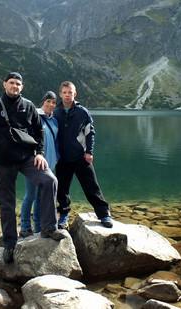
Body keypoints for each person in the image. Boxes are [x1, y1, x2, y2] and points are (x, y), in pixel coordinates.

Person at [0, 72, 65, 264]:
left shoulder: (28, 106)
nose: (15, 86)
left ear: (22, 87)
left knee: (49, 180)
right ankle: (10, 242)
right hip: (3, 161)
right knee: (7, 202)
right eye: (11, 83)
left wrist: (39, 154)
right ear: (4, 84)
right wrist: (2, 146)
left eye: (18, 84)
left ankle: (48, 227)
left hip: (27, 158)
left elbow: (39, 133)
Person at [54, 81, 113, 229]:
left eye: (71, 92)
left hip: (81, 157)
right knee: (62, 189)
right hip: (62, 158)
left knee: (92, 187)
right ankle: (64, 215)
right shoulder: (55, 111)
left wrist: (89, 152)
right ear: (61, 94)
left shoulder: (82, 112)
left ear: (75, 94)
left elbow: (90, 133)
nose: (68, 95)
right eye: (65, 92)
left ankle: (104, 214)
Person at [19, 91, 59, 237]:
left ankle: (37, 227)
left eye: (54, 102)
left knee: (41, 197)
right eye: (48, 101)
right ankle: (24, 226)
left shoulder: (54, 120)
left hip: (50, 163)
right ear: (43, 101)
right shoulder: (34, 115)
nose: (51, 104)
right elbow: (26, 137)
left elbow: (55, 140)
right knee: (30, 195)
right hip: (34, 162)